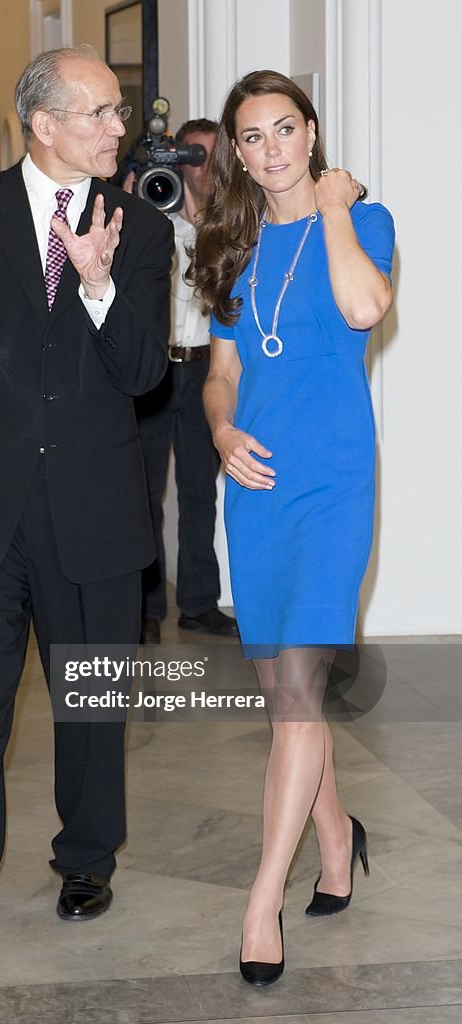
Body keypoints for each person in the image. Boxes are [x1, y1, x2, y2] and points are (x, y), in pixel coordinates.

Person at [0, 45, 173, 965]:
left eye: (117, 113)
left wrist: (97, 286)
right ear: (42, 123)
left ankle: (86, 857)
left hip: (90, 507)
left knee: (89, 702)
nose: (117, 127)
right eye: (97, 112)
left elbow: (139, 374)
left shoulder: (137, 224)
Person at [192, 70, 394, 986]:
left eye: (284, 129)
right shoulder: (230, 248)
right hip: (257, 485)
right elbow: (221, 374)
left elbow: (362, 309)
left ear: (309, 135)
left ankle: (261, 899)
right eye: (251, 136)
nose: (269, 148)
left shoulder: (368, 222)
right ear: (235, 151)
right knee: (287, 703)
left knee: (300, 698)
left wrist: (336, 208)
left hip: (333, 486)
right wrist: (222, 429)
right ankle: (335, 838)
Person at [128, 120, 238, 645]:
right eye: (193, 158)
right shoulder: (150, 213)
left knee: (199, 492)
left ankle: (198, 602)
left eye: (212, 158)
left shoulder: (231, 221)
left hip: (204, 370)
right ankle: (146, 607)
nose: (203, 170)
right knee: (145, 494)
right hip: (156, 371)